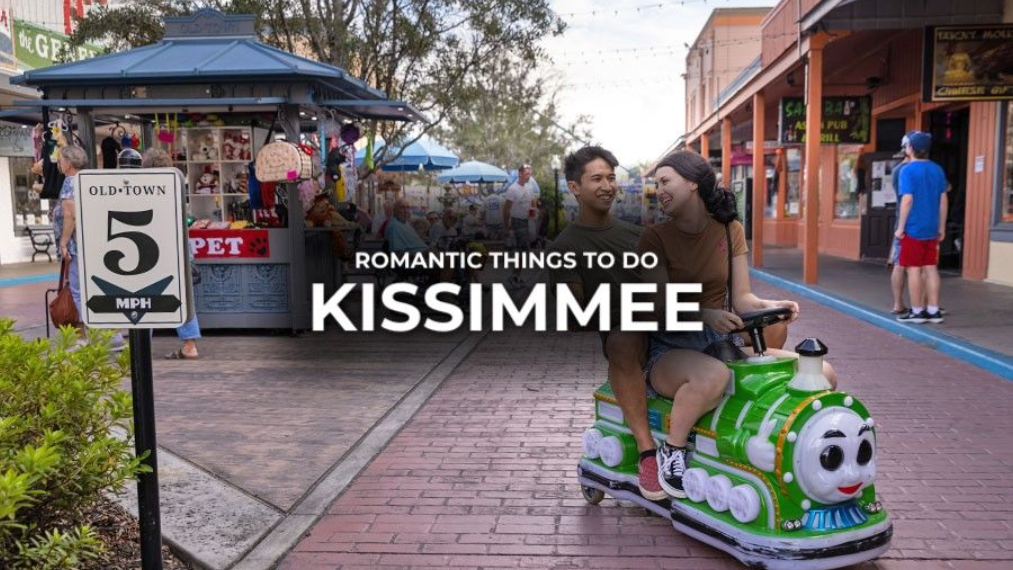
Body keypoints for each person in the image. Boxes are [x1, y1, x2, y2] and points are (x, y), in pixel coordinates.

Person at [640, 150, 836, 499]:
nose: (660, 190)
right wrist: (704, 313)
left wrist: (773, 304)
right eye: (657, 184)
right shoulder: (655, 238)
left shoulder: (730, 230)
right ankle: (673, 450)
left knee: (823, 372)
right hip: (670, 346)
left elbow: (743, 298)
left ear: (692, 184)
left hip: (718, 339)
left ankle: (794, 445)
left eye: (665, 181)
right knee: (712, 375)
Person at [549, 146, 662, 500]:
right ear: (574, 188)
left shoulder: (637, 234)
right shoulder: (565, 246)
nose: (606, 186)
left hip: (666, 325)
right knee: (623, 341)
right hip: (625, 334)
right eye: (596, 178)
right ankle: (648, 455)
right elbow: (574, 318)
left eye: (611, 178)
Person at [53, 146, 127, 352]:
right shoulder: (91, 181)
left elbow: (71, 214)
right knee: (100, 287)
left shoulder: (70, 182)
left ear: (68, 162)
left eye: (60, 160)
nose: (59, 164)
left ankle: (98, 336)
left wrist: (64, 242)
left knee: (80, 291)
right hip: (96, 244)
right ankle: (113, 335)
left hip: (78, 245)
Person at [141, 148, 202, 359]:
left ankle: (141, 345)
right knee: (183, 296)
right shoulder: (176, 180)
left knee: (142, 294)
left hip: (152, 248)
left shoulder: (143, 188)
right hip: (179, 248)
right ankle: (189, 343)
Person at [894, 131, 948, 325]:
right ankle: (933, 310)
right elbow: (943, 199)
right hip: (932, 228)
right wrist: (941, 226)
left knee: (914, 269)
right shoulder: (937, 170)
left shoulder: (907, 171)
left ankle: (917, 311)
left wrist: (901, 227)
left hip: (913, 227)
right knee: (931, 268)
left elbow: (907, 200)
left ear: (910, 148)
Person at [888, 137, 912, 315]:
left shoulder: (897, 170)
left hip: (902, 218)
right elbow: (907, 199)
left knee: (900, 262)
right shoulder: (908, 170)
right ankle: (925, 305)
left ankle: (898, 303)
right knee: (923, 266)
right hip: (912, 219)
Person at [503, 164, 537, 286]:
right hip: (517, 222)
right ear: (520, 173)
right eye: (527, 173)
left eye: (530, 173)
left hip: (527, 222)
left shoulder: (529, 187)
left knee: (524, 252)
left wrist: (533, 217)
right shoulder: (512, 189)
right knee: (522, 252)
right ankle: (513, 277)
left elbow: (532, 203)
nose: (529, 176)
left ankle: (516, 276)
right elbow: (506, 209)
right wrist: (506, 227)